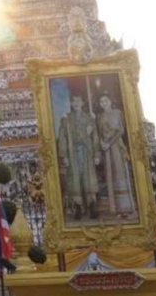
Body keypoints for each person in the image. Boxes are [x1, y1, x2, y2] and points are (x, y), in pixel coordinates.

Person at [57, 91, 102, 220]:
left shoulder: (89, 118)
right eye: (74, 101)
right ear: (71, 103)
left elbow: (95, 138)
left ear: (83, 103)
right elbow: (63, 138)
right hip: (73, 153)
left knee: (89, 179)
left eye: (79, 101)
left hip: (87, 152)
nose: (76, 103)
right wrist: (64, 155)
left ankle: (92, 205)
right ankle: (77, 207)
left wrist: (97, 154)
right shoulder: (66, 120)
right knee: (75, 180)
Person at [95, 94, 137, 217]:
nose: (103, 103)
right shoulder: (99, 117)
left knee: (121, 173)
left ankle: (128, 208)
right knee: (111, 175)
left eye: (105, 100)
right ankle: (117, 209)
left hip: (117, 146)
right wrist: (103, 143)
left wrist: (109, 143)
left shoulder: (118, 113)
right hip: (106, 149)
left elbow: (121, 131)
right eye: (101, 101)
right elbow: (99, 132)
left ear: (110, 101)